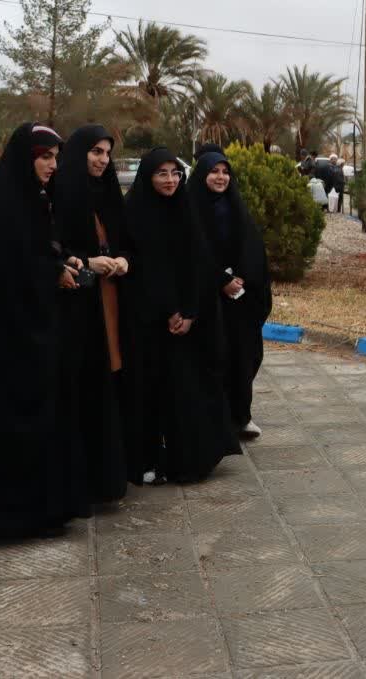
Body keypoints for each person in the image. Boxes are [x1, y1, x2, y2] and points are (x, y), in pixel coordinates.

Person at [0, 123, 90, 542]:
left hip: (33, 335)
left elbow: (36, 251)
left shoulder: (34, 198)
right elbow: (8, 268)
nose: (53, 165)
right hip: (7, 340)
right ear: (26, 158)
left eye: (56, 157)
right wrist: (50, 274)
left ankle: (44, 512)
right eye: (44, 157)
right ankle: (12, 518)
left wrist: (61, 262)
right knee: (12, 427)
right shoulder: (5, 206)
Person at [125, 148, 241, 483]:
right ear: (148, 177)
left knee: (186, 390)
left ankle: (186, 458)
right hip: (148, 320)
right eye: (161, 173)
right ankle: (147, 460)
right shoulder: (133, 212)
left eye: (175, 173)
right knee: (149, 391)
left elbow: (197, 264)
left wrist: (188, 312)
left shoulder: (184, 209)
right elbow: (142, 269)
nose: (170, 180)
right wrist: (166, 309)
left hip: (184, 321)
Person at [53, 125, 130, 505]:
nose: (102, 159)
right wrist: (88, 261)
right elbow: (55, 248)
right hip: (79, 306)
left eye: (107, 153)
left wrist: (123, 259)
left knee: (110, 382)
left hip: (111, 299)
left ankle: (110, 476)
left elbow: (126, 239)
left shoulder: (108, 192)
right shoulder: (61, 193)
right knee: (86, 387)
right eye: (96, 151)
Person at [189, 148, 272, 441]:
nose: (220, 177)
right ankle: (214, 422)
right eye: (214, 171)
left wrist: (242, 277)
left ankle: (241, 417)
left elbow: (252, 248)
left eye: (225, 172)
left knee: (243, 355)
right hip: (206, 300)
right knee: (213, 357)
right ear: (201, 174)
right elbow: (191, 254)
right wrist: (219, 280)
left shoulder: (235, 206)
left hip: (239, 297)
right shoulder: (190, 209)